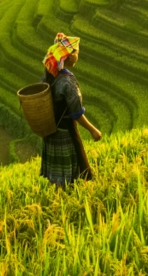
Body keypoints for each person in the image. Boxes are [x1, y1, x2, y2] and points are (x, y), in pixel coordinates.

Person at [40, 33, 102, 186]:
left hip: (52, 132)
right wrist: (93, 130)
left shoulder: (49, 76)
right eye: (77, 53)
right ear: (69, 57)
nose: (78, 56)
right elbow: (76, 113)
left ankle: (57, 199)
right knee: (70, 175)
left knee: (57, 174)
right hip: (66, 133)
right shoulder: (68, 82)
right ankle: (62, 203)